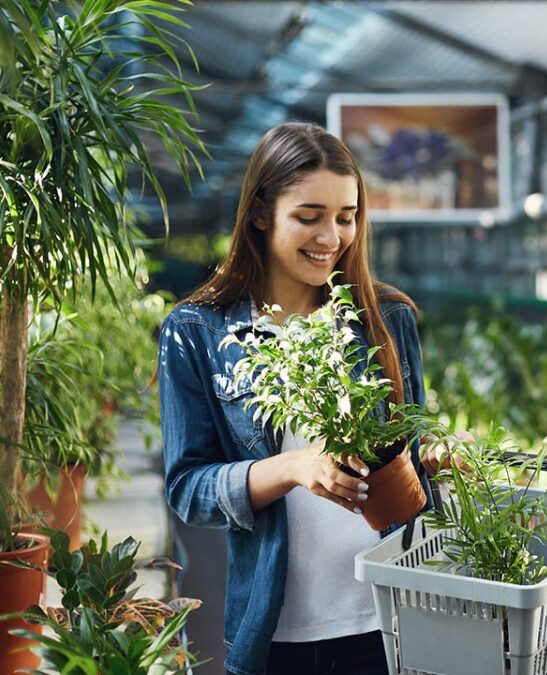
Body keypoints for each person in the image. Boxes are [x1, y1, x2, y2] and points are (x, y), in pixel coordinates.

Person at [157, 122, 461, 675]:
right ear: (260, 213)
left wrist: (436, 464)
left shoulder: (385, 319)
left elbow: (408, 458)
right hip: (275, 634)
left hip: (393, 618)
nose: (332, 237)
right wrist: (290, 467)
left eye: (346, 217)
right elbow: (187, 490)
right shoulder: (196, 330)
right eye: (309, 216)